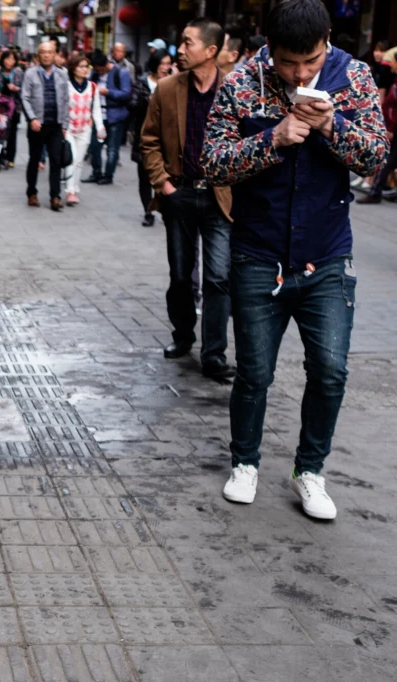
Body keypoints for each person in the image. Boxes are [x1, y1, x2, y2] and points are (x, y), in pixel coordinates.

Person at [202, 0, 389, 519]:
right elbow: (212, 162)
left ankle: (310, 470)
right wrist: (273, 138)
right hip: (258, 253)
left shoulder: (353, 77)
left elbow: (375, 156)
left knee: (330, 370)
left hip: (328, 254)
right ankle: (245, 462)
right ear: (270, 49)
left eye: (311, 61)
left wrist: (334, 126)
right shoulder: (243, 82)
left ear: (327, 41)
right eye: (288, 63)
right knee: (255, 372)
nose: (301, 73)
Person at [140, 17, 234, 380]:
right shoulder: (166, 88)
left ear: (210, 51)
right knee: (181, 276)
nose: (180, 49)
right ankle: (182, 336)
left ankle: (214, 353)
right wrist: (164, 184)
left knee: (218, 278)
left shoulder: (234, 89)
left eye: (188, 43)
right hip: (178, 194)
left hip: (218, 198)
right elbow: (147, 140)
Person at [22, 41, 70, 211]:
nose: (47, 55)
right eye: (43, 52)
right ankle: (31, 193)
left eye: (50, 52)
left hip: (56, 125)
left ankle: (55, 196)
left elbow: (65, 100)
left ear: (55, 54)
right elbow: (25, 98)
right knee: (34, 160)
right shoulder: (30, 74)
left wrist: (65, 124)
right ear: (39, 55)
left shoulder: (63, 75)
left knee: (56, 161)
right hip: (37, 125)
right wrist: (32, 118)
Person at [130, 49, 173, 226]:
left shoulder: (174, 83)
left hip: (168, 138)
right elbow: (132, 105)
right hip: (145, 135)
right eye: (162, 63)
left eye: (168, 63)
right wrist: (149, 99)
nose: (165, 67)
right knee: (144, 176)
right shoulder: (142, 82)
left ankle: (163, 207)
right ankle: (148, 211)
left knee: (166, 174)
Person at [83, 51, 131, 184]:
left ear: (106, 65)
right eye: (96, 70)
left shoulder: (121, 73)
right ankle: (96, 173)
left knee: (112, 148)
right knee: (94, 146)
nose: (99, 73)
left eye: (100, 70)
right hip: (98, 116)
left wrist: (109, 92)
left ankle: (108, 175)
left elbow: (126, 94)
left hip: (115, 116)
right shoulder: (94, 75)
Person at [64, 54, 106, 206]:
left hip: (85, 129)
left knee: (79, 161)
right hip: (68, 129)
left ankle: (75, 189)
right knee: (71, 159)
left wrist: (100, 127)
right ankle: (70, 191)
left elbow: (96, 110)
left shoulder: (92, 87)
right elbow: (62, 107)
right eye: (81, 66)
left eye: (86, 67)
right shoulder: (66, 85)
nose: (84, 70)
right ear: (73, 69)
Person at [357, 46, 397, 205]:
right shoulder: (394, 81)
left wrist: (391, 128)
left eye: (392, 61)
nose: (390, 64)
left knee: (386, 161)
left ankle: (375, 192)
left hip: (393, 129)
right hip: (391, 127)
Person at [0, 50, 26, 168]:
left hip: (14, 106)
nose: (10, 61)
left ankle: (10, 158)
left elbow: (25, 89)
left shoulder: (19, 73)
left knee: (12, 132)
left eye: (12, 59)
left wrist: (16, 89)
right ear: (3, 60)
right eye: (7, 58)